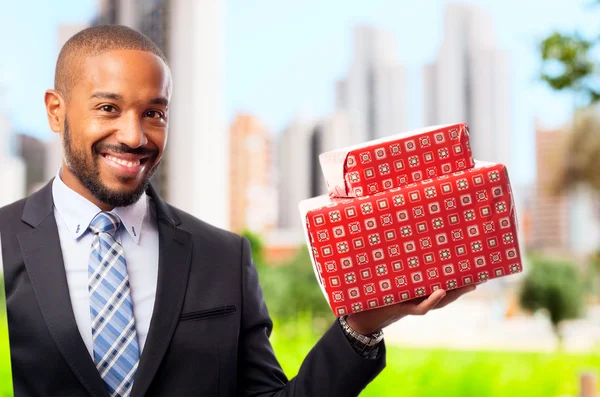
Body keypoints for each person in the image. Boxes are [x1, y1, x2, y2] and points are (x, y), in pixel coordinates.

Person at [0, 25, 476, 397]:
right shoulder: (5, 241)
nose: (134, 135)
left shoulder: (223, 257)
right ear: (56, 111)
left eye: (154, 113)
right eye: (108, 107)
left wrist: (362, 326)